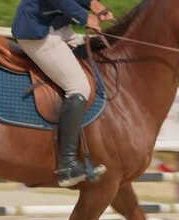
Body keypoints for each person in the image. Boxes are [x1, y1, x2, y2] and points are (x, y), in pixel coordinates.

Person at [11, 0, 114, 187]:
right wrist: (85, 17)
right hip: (38, 30)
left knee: (93, 53)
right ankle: (68, 165)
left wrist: (93, 4)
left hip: (56, 27)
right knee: (79, 87)